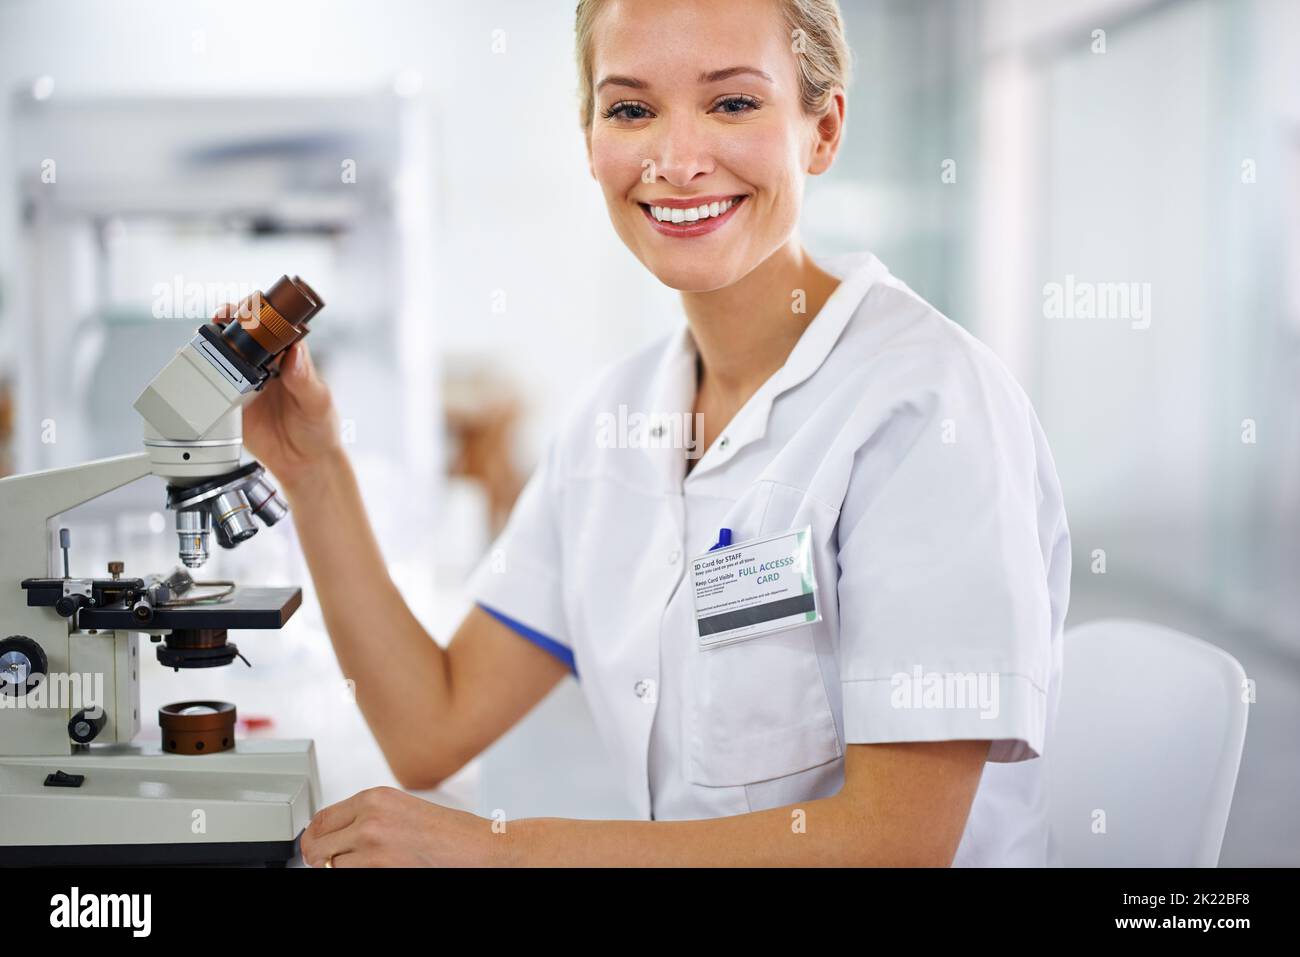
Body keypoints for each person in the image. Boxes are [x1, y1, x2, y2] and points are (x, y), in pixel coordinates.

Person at [232, 0, 1070, 866]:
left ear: (822, 130)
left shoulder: (930, 407)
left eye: (733, 103)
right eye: (631, 109)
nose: (676, 160)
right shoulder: (614, 422)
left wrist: (499, 851)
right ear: (590, 140)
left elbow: (894, 842)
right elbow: (429, 724)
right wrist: (313, 468)